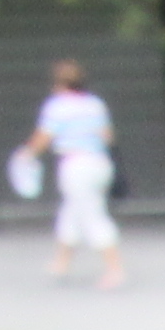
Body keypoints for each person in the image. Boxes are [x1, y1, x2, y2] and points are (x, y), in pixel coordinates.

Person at [22, 58, 118, 293]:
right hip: (100, 163)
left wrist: (25, 155)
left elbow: (44, 137)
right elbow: (108, 138)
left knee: (92, 215)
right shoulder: (95, 104)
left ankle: (115, 270)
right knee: (71, 213)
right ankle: (61, 263)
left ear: (59, 84)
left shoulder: (57, 106)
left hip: (75, 165)